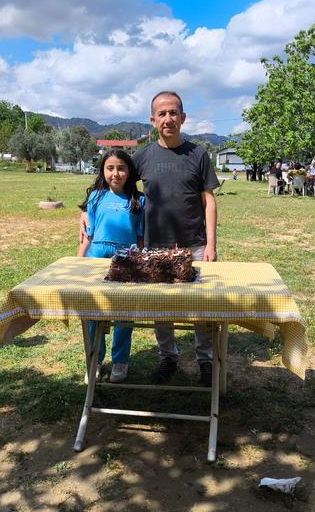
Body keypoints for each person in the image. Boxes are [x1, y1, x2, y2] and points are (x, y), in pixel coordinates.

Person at [131, 91, 219, 387]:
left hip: (195, 245)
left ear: (183, 117)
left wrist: (211, 244)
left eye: (173, 113)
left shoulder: (198, 154)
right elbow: (114, 183)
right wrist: (86, 209)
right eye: (162, 114)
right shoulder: (142, 156)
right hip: (156, 247)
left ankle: (205, 361)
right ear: (152, 120)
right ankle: (167, 357)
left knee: (202, 307)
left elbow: (209, 201)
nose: (168, 119)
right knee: (161, 308)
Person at [77, 150, 145, 382]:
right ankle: (94, 360)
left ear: (129, 172)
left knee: (124, 313)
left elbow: (141, 238)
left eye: (121, 168)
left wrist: (141, 264)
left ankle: (120, 361)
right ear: (103, 171)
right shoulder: (95, 197)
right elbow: (88, 235)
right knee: (92, 311)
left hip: (126, 260)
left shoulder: (139, 201)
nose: (116, 173)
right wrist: (79, 261)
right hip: (96, 258)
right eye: (110, 168)